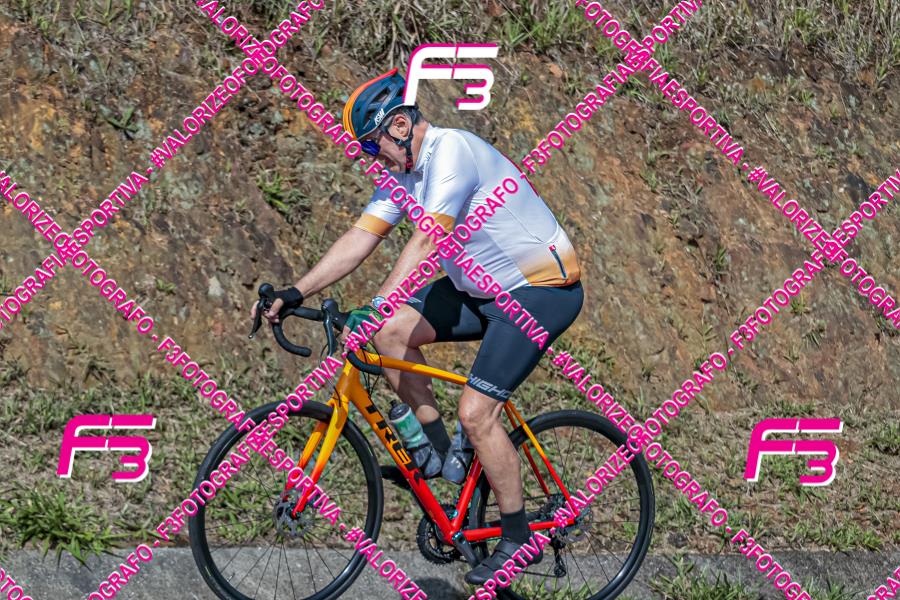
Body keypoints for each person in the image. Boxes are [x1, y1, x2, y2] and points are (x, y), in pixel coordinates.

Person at [252, 68, 584, 584]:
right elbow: (361, 237)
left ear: (400, 126)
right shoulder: (404, 175)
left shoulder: (453, 152)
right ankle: (443, 457)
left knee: (477, 414)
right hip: (480, 289)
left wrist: (376, 302)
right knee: (388, 333)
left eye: (373, 145)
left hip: (541, 291)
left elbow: (427, 240)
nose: (372, 157)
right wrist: (297, 291)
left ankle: (519, 537)